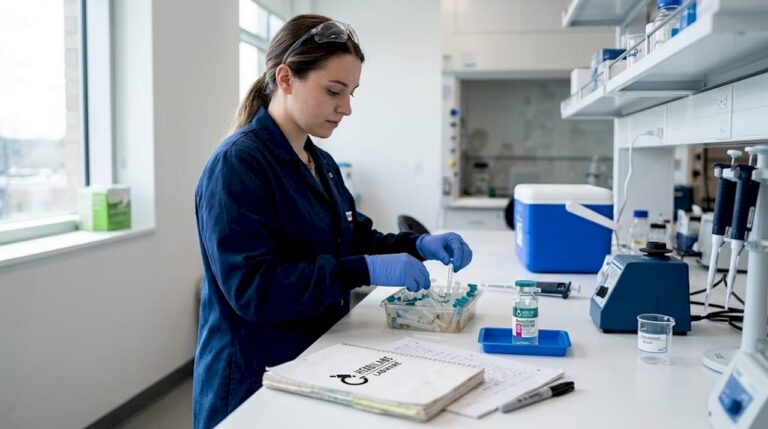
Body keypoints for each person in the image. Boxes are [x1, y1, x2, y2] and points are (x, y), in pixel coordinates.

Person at [193, 14, 473, 429]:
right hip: (254, 378)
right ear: (286, 78)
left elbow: (354, 237)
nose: (347, 108)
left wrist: (417, 245)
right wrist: (363, 270)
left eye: (351, 93)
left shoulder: (320, 162)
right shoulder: (239, 164)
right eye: (334, 91)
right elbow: (255, 290)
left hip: (318, 360)